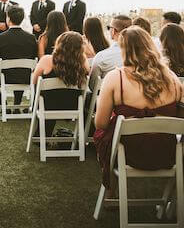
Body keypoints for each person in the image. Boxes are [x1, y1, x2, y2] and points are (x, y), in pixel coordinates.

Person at [94, 26, 183, 192]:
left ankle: (111, 190)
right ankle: (168, 199)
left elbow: (100, 123)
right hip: (167, 154)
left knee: (103, 134)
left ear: (124, 50)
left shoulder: (115, 78)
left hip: (129, 153)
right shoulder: (173, 79)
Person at [32, 32, 89, 136]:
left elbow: (34, 81)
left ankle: (42, 133)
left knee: (46, 94)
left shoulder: (46, 60)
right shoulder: (83, 63)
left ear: (59, 44)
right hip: (74, 106)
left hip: (47, 106)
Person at [0, 7, 37, 108]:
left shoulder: (0, 38)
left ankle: (2, 103)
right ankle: (17, 103)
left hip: (6, 77)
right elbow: (35, 59)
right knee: (20, 71)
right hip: (26, 77)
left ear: (8, 19)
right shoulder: (31, 38)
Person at [89, 15, 132, 91]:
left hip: (106, 100)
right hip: (134, 100)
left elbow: (92, 85)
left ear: (113, 31)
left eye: (109, 28)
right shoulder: (141, 56)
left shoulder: (101, 56)